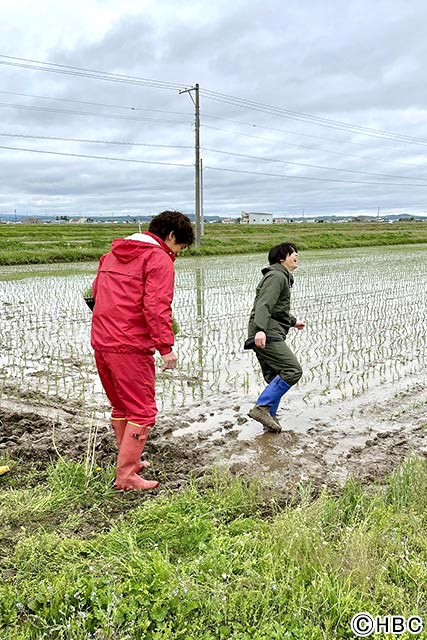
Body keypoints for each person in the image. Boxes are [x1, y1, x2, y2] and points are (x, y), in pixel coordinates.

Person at [90, 211, 194, 491]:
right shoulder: (157, 258)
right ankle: (126, 476)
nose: (178, 254)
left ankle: (131, 462)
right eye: (180, 248)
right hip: (130, 345)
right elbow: (156, 306)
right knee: (143, 411)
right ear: (171, 236)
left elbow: (95, 293)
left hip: (102, 341)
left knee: (122, 406)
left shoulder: (112, 254)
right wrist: (166, 347)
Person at [246, 242, 304, 432]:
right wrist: (261, 329)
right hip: (267, 333)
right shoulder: (277, 276)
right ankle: (262, 408)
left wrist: (292, 321)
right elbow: (264, 305)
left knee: (275, 378)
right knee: (292, 370)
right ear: (281, 259)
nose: (296, 255)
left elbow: (278, 309)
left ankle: (269, 419)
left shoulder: (281, 276)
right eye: (292, 253)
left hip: (268, 331)